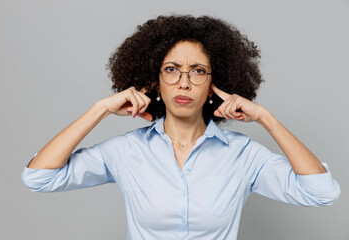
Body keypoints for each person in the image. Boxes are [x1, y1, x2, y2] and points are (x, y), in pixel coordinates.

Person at [21, 15, 340, 240]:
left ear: (216, 84)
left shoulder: (244, 156)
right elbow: (39, 178)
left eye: (198, 71)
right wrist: (99, 109)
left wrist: (266, 119)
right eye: (171, 70)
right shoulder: (126, 152)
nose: (184, 83)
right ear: (155, 82)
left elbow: (321, 193)